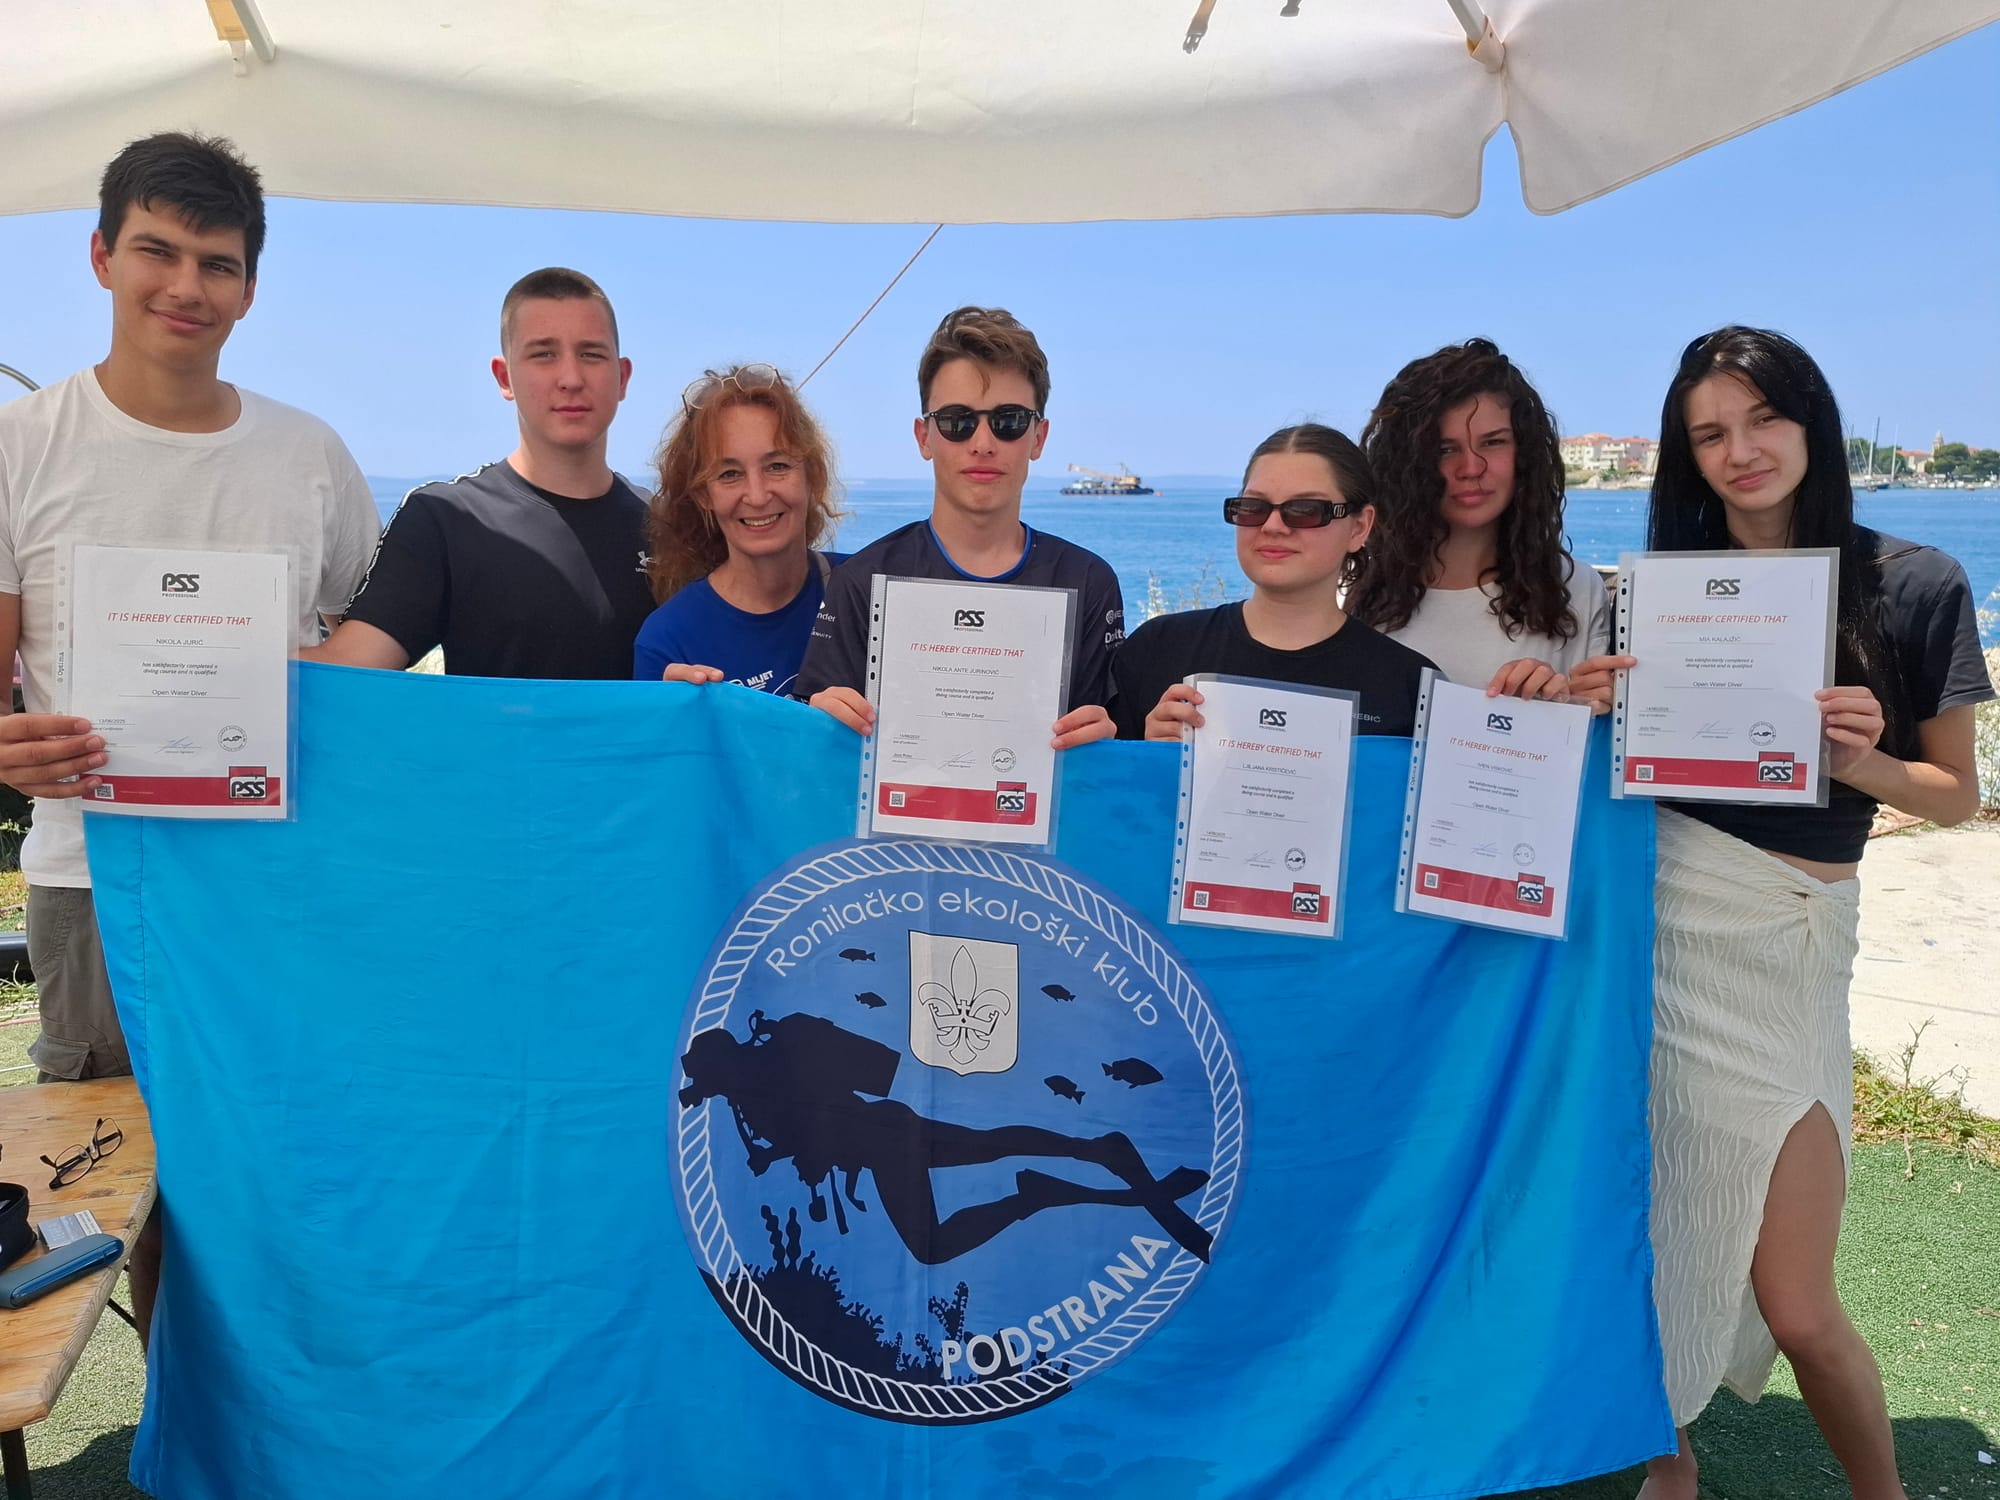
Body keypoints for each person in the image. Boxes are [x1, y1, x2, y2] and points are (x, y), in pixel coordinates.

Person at [0, 131, 382, 1338]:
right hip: (92, 876)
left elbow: (368, 654)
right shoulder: (21, 445)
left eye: (217, 263)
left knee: (276, 1163)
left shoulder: (310, 457)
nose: (185, 286)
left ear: (250, 288)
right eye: (156, 251)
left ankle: (265, 1411)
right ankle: (175, 1411)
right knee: (119, 1177)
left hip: (274, 878)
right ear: (102, 255)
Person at [1630, 327, 1991, 1500]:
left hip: (1786, 944)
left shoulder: (1914, 583)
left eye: (1761, 419)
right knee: (1658, 1245)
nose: (1739, 450)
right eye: (1708, 434)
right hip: (1659, 931)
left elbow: (1952, 796)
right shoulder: (1658, 594)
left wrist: (1861, 759)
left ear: (1810, 423)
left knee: (1794, 1300)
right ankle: (1669, 1465)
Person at [795, 306, 1123, 750]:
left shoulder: (1088, 584)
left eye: (1009, 421)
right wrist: (819, 725)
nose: (983, 444)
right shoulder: (861, 583)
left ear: (1039, 437)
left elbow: (1117, 749)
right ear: (924, 437)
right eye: (957, 422)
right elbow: (815, 757)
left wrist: (1109, 742)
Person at [311, 267, 653, 679]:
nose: (571, 378)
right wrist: (237, 644)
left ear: (622, 377)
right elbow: (350, 665)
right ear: (504, 377)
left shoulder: (670, 526)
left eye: (591, 354)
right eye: (544, 354)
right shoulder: (446, 519)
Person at [1108, 424, 1436, 741]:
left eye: (1305, 509)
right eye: (1253, 508)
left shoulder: (1413, 690)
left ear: (1359, 527)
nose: (1273, 526)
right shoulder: (1157, 649)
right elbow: (1106, 775)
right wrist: (1149, 756)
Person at [1346, 338, 1611, 702]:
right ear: (1407, 464)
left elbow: (1594, 719)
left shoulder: (1576, 588)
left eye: (1493, 442)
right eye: (1444, 449)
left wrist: (1574, 703)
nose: (1471, 468)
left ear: (1525, 453)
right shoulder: (1358, 590)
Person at [633, 364, 843, 695]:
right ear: (703, 494)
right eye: (729, 474)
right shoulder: (668, 641)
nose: (757, 496)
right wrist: (675, 718)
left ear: (812, 477)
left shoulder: (864, 591)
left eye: (777, 466)